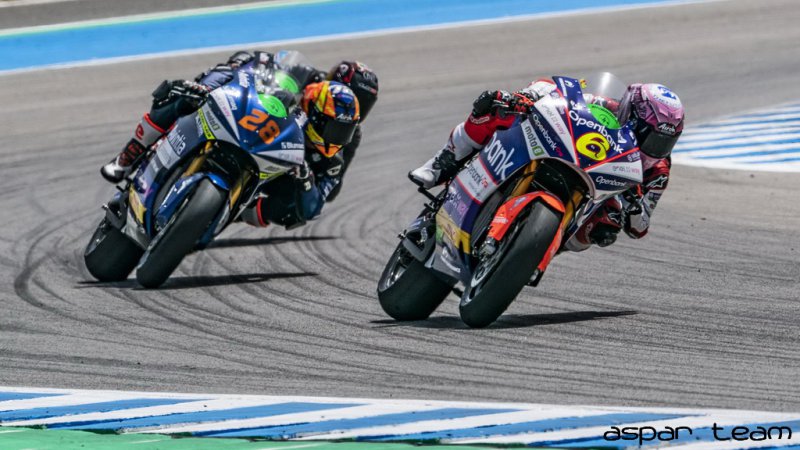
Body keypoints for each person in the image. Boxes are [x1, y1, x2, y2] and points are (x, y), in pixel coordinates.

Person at [100, 50, 379, 227]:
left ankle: (238, 208)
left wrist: (306, 178)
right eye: (348, 93)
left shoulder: (348, 134)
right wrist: (237, 68)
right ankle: (129, 155)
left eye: (363, 104)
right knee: (188, 93)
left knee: (296, 211)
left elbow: (331, 188)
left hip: (286, 163)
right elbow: (259, 66)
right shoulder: (306, 79)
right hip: (251, 123)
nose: (350, 105)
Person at [409, 76, 684, 251]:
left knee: (609, 221)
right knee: (497, 108)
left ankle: (535, 246)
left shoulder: (658, 170)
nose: (657, 149)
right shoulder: (604, 105)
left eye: (666, 142)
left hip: (594, 193)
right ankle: (444, 160)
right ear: (631, 115)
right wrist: (526, 97)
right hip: (562, 154)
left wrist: (634, 208)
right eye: (653, 138)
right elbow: (558, 92)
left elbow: (640, 227)